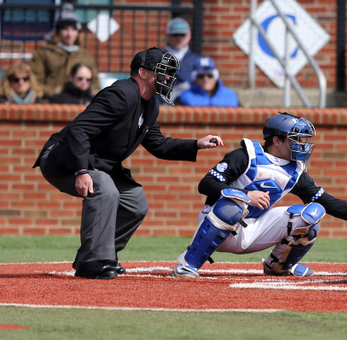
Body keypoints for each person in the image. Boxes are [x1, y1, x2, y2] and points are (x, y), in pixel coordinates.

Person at [33, 47, 223, 280]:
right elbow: (78, 130)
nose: (168, 79)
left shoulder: (150, 103)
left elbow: (158, 145)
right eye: (163, 72)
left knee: (136, 202)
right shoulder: (120, 94)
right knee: (104, 188)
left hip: (96, 164)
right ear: (143, 73)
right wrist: (80, 170)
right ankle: (92, 261)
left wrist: (196, 144)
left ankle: (105, 254)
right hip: (62, 160)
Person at [171, 112, 347, 278]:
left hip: (253, 229)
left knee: (310, 215)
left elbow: (330, 203)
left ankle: (279, 265)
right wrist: (246, 195)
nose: (302, 145)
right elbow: (206, 184)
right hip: (217, 223)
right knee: (234, 204)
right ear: (277, 140)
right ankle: (189, 263)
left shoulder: (295, 172)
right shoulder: (244, 156)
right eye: (295, 139)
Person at [30, 3, 100, 101]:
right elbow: (34, 82)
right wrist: (54, 91)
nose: (69, 34)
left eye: (73, 29)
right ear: (58, 31)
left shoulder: (85, 56)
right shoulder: (44, 53)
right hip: (51, 104)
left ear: (78, 32)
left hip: (79, 104)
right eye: (65, 29)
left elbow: (95, 84)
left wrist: (84, 90)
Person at [158, 17, 201, 104]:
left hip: (189, 106)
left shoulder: (198, 60)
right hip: (160, 105)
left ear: (189, 36)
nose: (179, 38)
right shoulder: (156, 57)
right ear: (167, 35)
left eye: (182, 34)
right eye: (175, 35)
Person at [174, 57, 240, 107]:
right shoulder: (184, 97)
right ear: (195, 78)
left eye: (210, 75)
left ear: (215, 77)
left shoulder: (231, 96)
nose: (206, 79)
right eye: (201, 76)